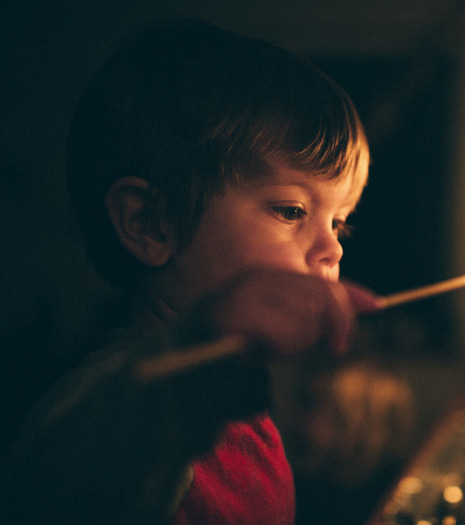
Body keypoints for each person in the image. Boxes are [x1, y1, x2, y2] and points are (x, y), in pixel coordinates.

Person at [0, 18, 393, 524]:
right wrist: (192, 360)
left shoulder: (239, 397)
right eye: (291, 210)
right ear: (151, 222)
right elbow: (56, 487)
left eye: (338, 223)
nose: (332, 249)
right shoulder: (129, 398)